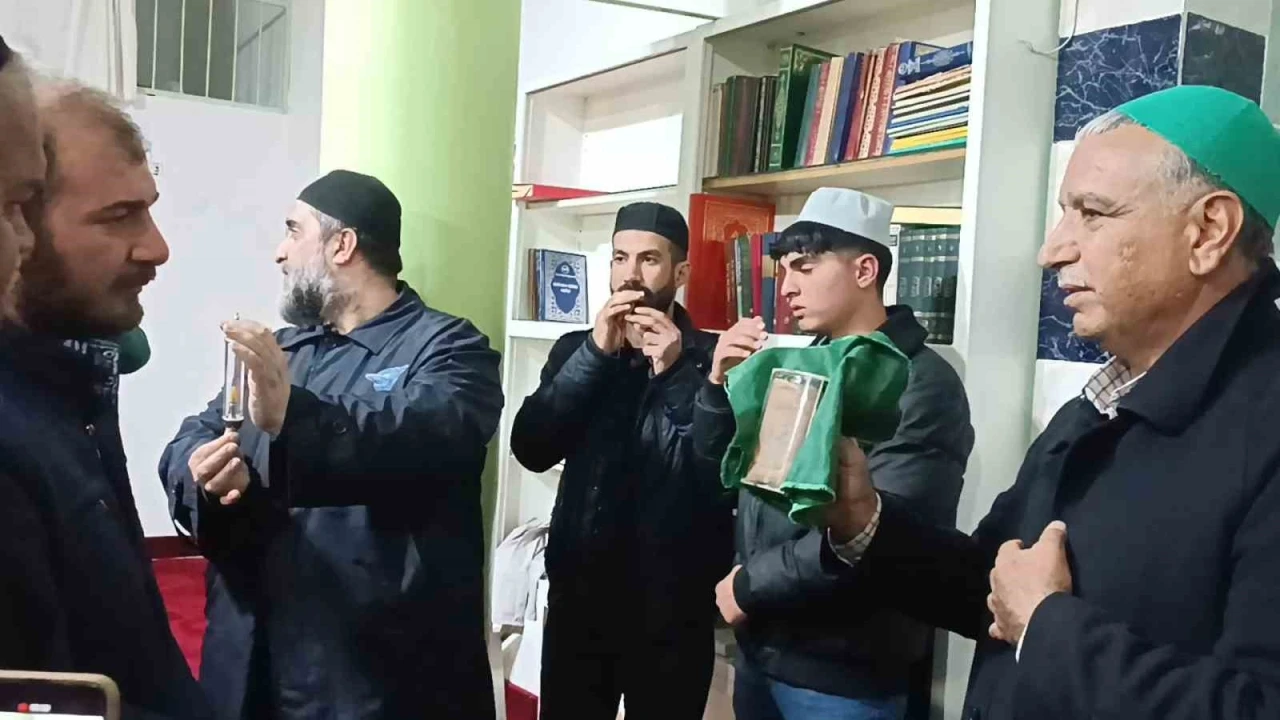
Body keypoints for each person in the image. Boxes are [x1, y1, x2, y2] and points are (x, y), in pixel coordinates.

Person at [820, 85, 1280, 720]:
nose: (1052, 250)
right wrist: (862, 519)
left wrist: (1045, 626)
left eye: (1093, 213)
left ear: (1208, 231)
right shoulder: (1096, 406)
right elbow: (991, 583)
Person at [158, 170, 504, 720]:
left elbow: (422, 434)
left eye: (293, 231)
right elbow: (198, 432)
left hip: (370, 673)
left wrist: (291, 415)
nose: (280, 252)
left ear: (342, 245)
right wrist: (207, 473)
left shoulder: (450, 348)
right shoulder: (287, 349)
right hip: (253, 657)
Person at [691, 188, 973, 720]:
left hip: (844, 672)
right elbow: (734, 481)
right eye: (784, 271)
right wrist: (717, 389)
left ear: (865, 270)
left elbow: (880, 531)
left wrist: (750, 584)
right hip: (765, 648)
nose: (787, 287)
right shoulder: (803, 363)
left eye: (805, 267)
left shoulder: (920, 383)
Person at [0, 76, 212, 720]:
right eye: (118, 216)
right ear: (21, 222)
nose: (157, 247)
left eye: (148, 208)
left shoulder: (75, 383)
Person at [510, 202, 729, 720]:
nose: (630, 275)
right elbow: (532, 448)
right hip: (580, 601)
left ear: (680, 273)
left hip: (674, 611)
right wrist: (593, 354)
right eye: (619, 258)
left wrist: (675, 372)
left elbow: (719, 475)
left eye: (649, 260)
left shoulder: (713, 358)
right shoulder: (576, 351)